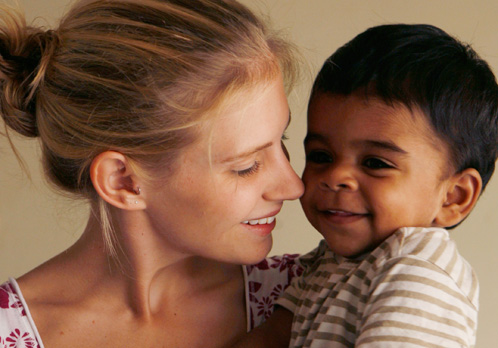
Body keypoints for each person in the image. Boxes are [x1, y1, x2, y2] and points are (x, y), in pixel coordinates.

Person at [0, 0, 306, 346]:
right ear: (123, 182)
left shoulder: (317, 294)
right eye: (245, 167)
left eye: (282, 141)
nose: (293, 185)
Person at [231, 24, 498, 347]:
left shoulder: (419, 274)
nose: (335, 176)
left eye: (375, 163)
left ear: (453, 197)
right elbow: (270, 338)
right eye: (320, 155)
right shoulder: (329, 262)